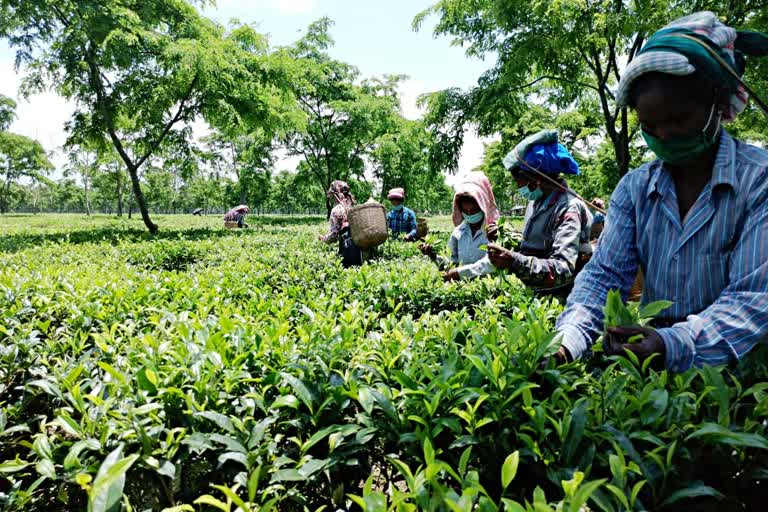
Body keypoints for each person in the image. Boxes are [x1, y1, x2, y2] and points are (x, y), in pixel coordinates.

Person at [554, 11, 768, 371]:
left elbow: (753, 299)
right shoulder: (635, 190)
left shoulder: (758, 181)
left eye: (679, 119)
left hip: (746, 381)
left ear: (717, 102)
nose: (664, 136)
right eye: (650, 125)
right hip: (659, 383)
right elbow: (604, 277)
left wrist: (672, 344)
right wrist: (566, 343)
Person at [484, 130, 593, 297]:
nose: (517, 186)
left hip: (564, 300)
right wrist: (506, 237)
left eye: (518, 180)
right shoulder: (537, 203)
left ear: (535, 179)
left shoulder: (568, 209)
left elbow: (563, 269)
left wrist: (513, 261)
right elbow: (538, 245)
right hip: (537, 296)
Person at [420, 172, 500, 281]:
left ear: (483, 206)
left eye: (474, 210)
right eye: (466, 211)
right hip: (465, 289)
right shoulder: (458, 233)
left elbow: (491, 264)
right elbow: (452, 264)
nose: (470, 214)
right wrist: (434, 256)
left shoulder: (496, 232)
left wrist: (458, 273)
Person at [320, 180, 366, 268]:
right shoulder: (354, 208)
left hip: (348, 251)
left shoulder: (336, 210)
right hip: (362, 250)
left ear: (335, 195)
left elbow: (333, 236)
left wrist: (323, 239)